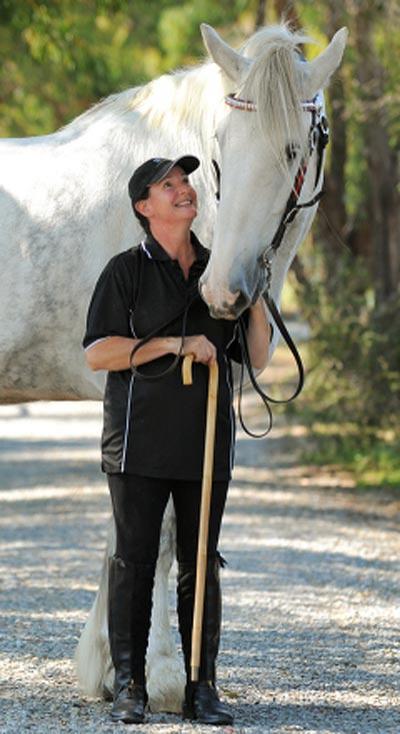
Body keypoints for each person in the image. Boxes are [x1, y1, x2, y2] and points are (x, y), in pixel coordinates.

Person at [83, 155, 271, 726]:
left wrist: (255, 293)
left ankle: (202, 687)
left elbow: (257, 357)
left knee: (201, 564)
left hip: (205, 446)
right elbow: (98, 352)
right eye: (170, 185)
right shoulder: (124, 271)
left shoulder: (218, 272)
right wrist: (174, 346)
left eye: (186, 182)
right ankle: (130, 687)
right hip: (136, 445)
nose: (185, 190)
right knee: (134, 562)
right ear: (145, 206)